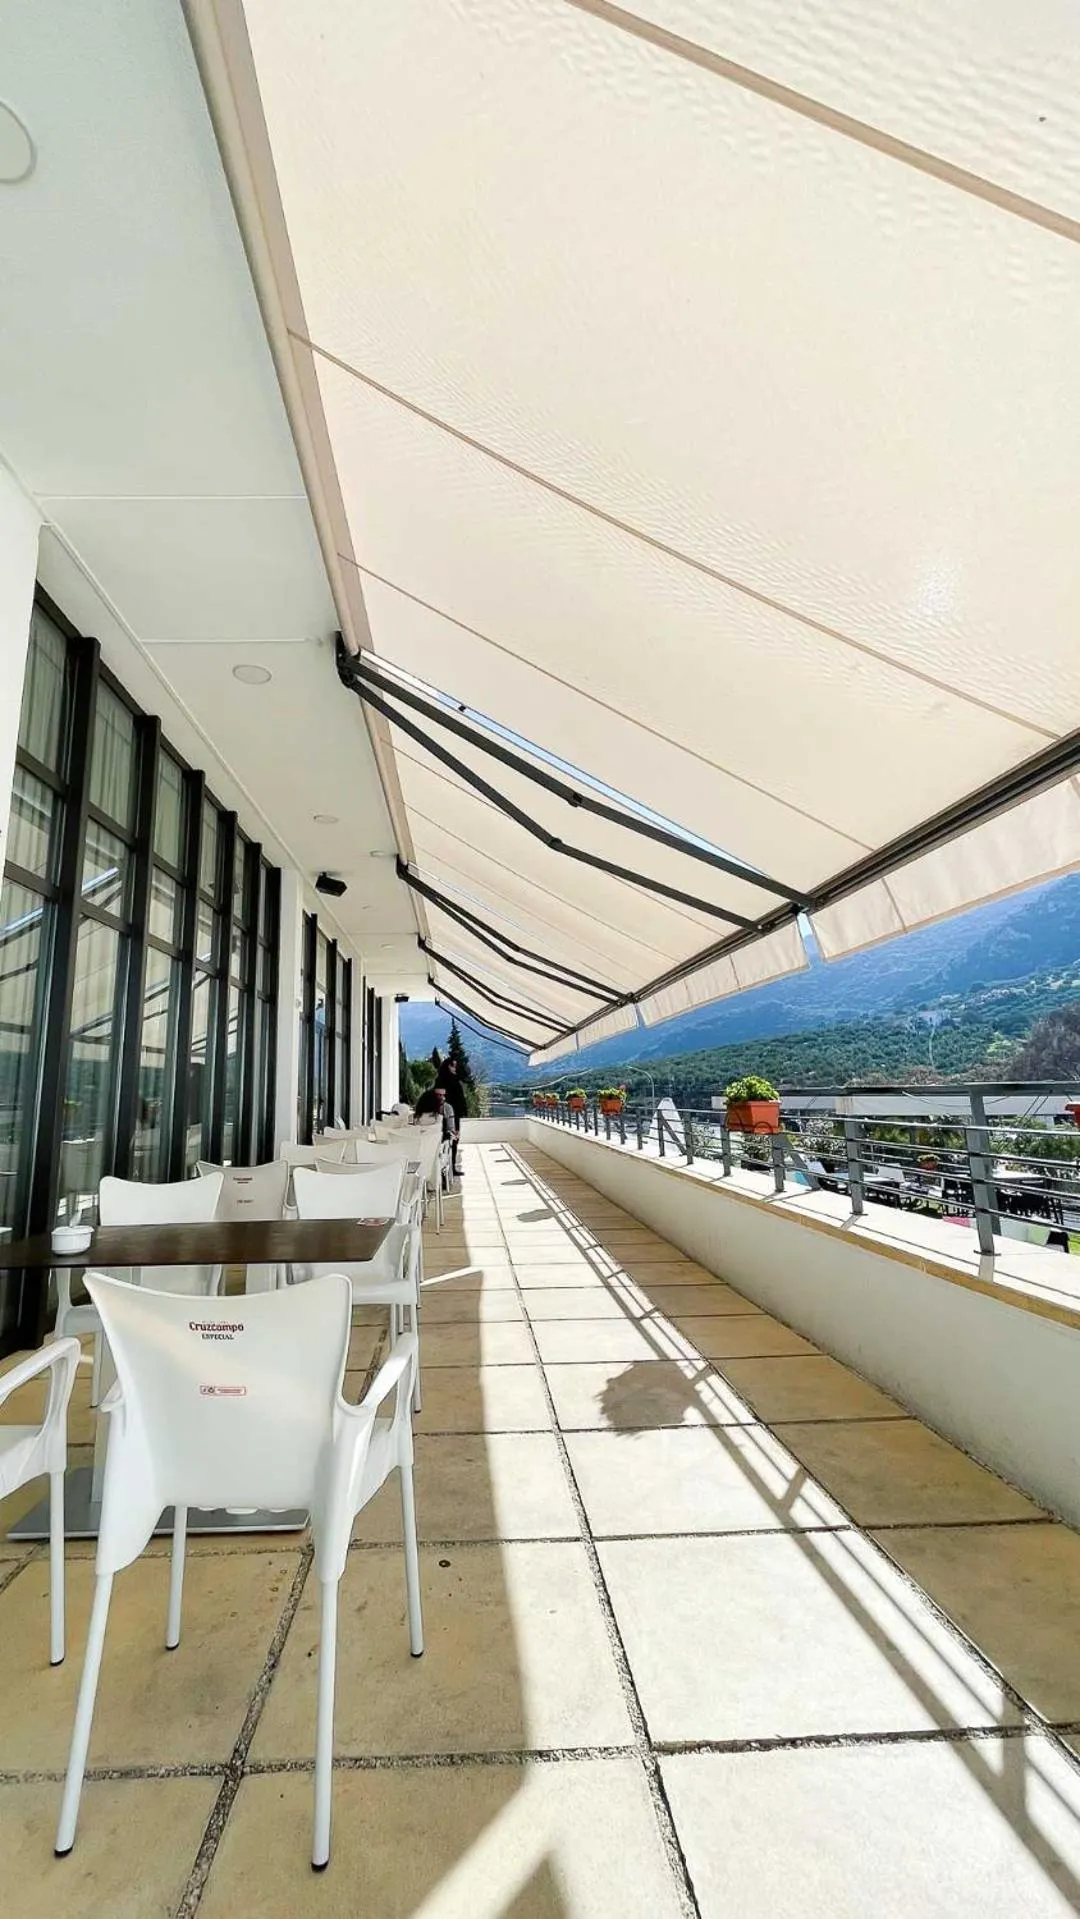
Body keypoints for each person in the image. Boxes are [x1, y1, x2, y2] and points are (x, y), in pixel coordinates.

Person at [435, 1058, 468, 1177]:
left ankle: (449, 1167)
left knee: (451, 1140)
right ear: (448, 1066)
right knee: (452, 1139)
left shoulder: (445, 1079)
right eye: (453, 1065)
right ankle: (450, 1168)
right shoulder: (447, 1080)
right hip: (450, 1114)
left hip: (450, 1114)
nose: (455, 1067)